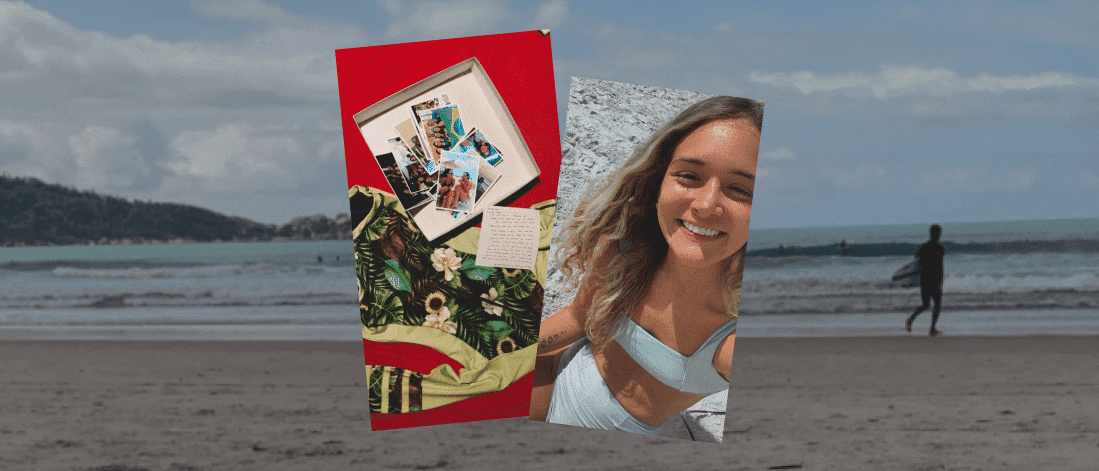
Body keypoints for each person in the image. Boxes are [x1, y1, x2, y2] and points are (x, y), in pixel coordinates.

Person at [529, 96, 763, 435]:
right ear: (660, 180)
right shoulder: (627, 251)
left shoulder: (730, 339)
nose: (707, 204)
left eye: (740, 189)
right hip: (552, 373)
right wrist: (510, 352)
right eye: (689, 176)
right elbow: (578, 318)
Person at [905, 224, 945, 336]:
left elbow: (916, 259)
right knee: (936, 304)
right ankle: (932, 328)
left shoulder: (924, 247)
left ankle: (911, 319)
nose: (939, 235)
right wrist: (940, 280)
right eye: (938, 233)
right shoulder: (939, 248)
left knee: (926, 304)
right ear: (937, 234)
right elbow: (940, 266)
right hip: (934, 280)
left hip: (925, 280)